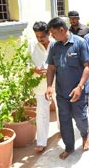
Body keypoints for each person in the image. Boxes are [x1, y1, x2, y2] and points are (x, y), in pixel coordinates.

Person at [45, 17, 89, 160]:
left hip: (78, 92)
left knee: (80, 118)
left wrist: (80, 87)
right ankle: (69, 147)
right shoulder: (54, 46)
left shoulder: (79, 43)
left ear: (61, 30)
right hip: (61, 93)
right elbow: (51, 68)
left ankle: (85, 136)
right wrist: (49, 86)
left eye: (53, 33)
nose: (52, 36)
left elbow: (87, 67)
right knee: (64, 120)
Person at [30, 21, 56, 153]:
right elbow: (25, 62)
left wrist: (53, 70)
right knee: (41, 112)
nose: (39, 39)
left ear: (49, 33)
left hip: (58, 82)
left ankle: (63, 132)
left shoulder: (56, 44)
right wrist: (34, 69)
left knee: (62, 109)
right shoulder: (32, 44)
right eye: (37, 36)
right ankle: (41, 142)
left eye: (42, 36)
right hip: (40, 84)